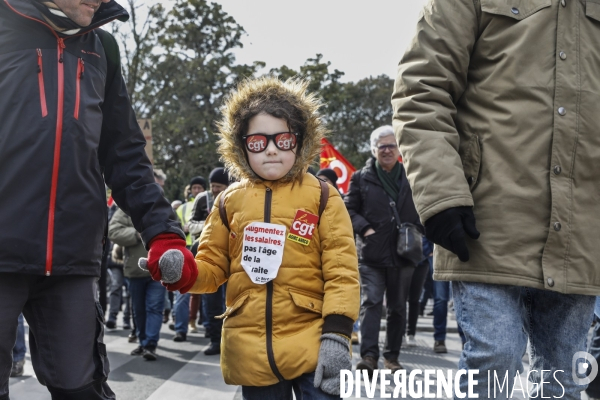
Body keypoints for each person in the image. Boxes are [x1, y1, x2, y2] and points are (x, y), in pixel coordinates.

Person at [392, 1, 600, 397]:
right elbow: (421, 90)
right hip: (484, 222)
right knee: (496, 358)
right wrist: (440, 194)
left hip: (583, 231)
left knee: (563, 377)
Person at [0, 0, 197, 398]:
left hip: (74, 259)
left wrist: (164, 232)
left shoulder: (103, 48)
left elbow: (125, 154)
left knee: (83, 388)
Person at [147, 77, 360, 398]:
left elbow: (342, 273)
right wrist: (182, 271)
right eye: (258, 141)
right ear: (241, 145)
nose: (272, 149)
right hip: (251, 348)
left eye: (283, 139)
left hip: (313, 343)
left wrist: (337, 336)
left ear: (300, 141)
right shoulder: (228, 201)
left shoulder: (323, 196)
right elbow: (212, 267)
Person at [344, 125, 423, 374]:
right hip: (371, 254)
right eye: (382, 146)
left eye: (392, 145)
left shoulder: (412, 176)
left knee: (399, 307)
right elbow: (348, 209)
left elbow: (426, 207)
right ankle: (368, 357)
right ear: (374, 150)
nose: (387, 150)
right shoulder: (360, 177)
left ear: (399, 149)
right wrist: (364, 228)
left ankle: (392, 358)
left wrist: (418, 230)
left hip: (404, 253)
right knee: (372, 303)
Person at [187, 167, 231, 355]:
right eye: (212, 186)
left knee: (232, 302)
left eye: (218, 186)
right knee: (211, 301)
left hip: (232, 259)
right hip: (208, 257)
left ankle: (231, 342)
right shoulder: (202, 199)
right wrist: (209, 227)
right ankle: (215, 340)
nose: (214, 190)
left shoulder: (236, 197)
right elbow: (190, 224)